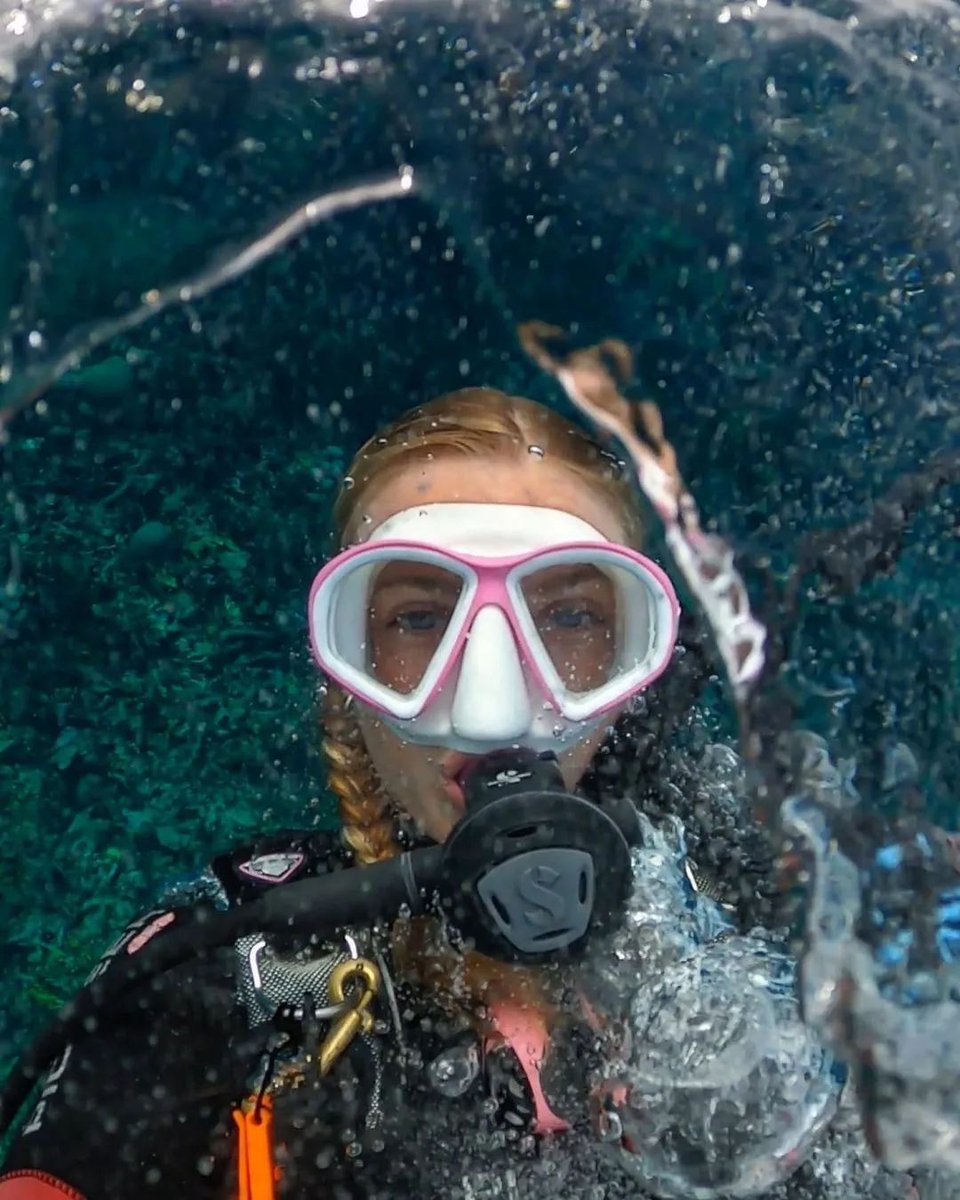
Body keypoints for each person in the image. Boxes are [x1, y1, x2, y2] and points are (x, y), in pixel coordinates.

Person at [0, 388, 923, 1200]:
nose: (491, 704)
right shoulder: (233, 967)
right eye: (415, 618)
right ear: (344, 682)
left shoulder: (767, 891)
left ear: (632, 673)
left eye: (567, 616)